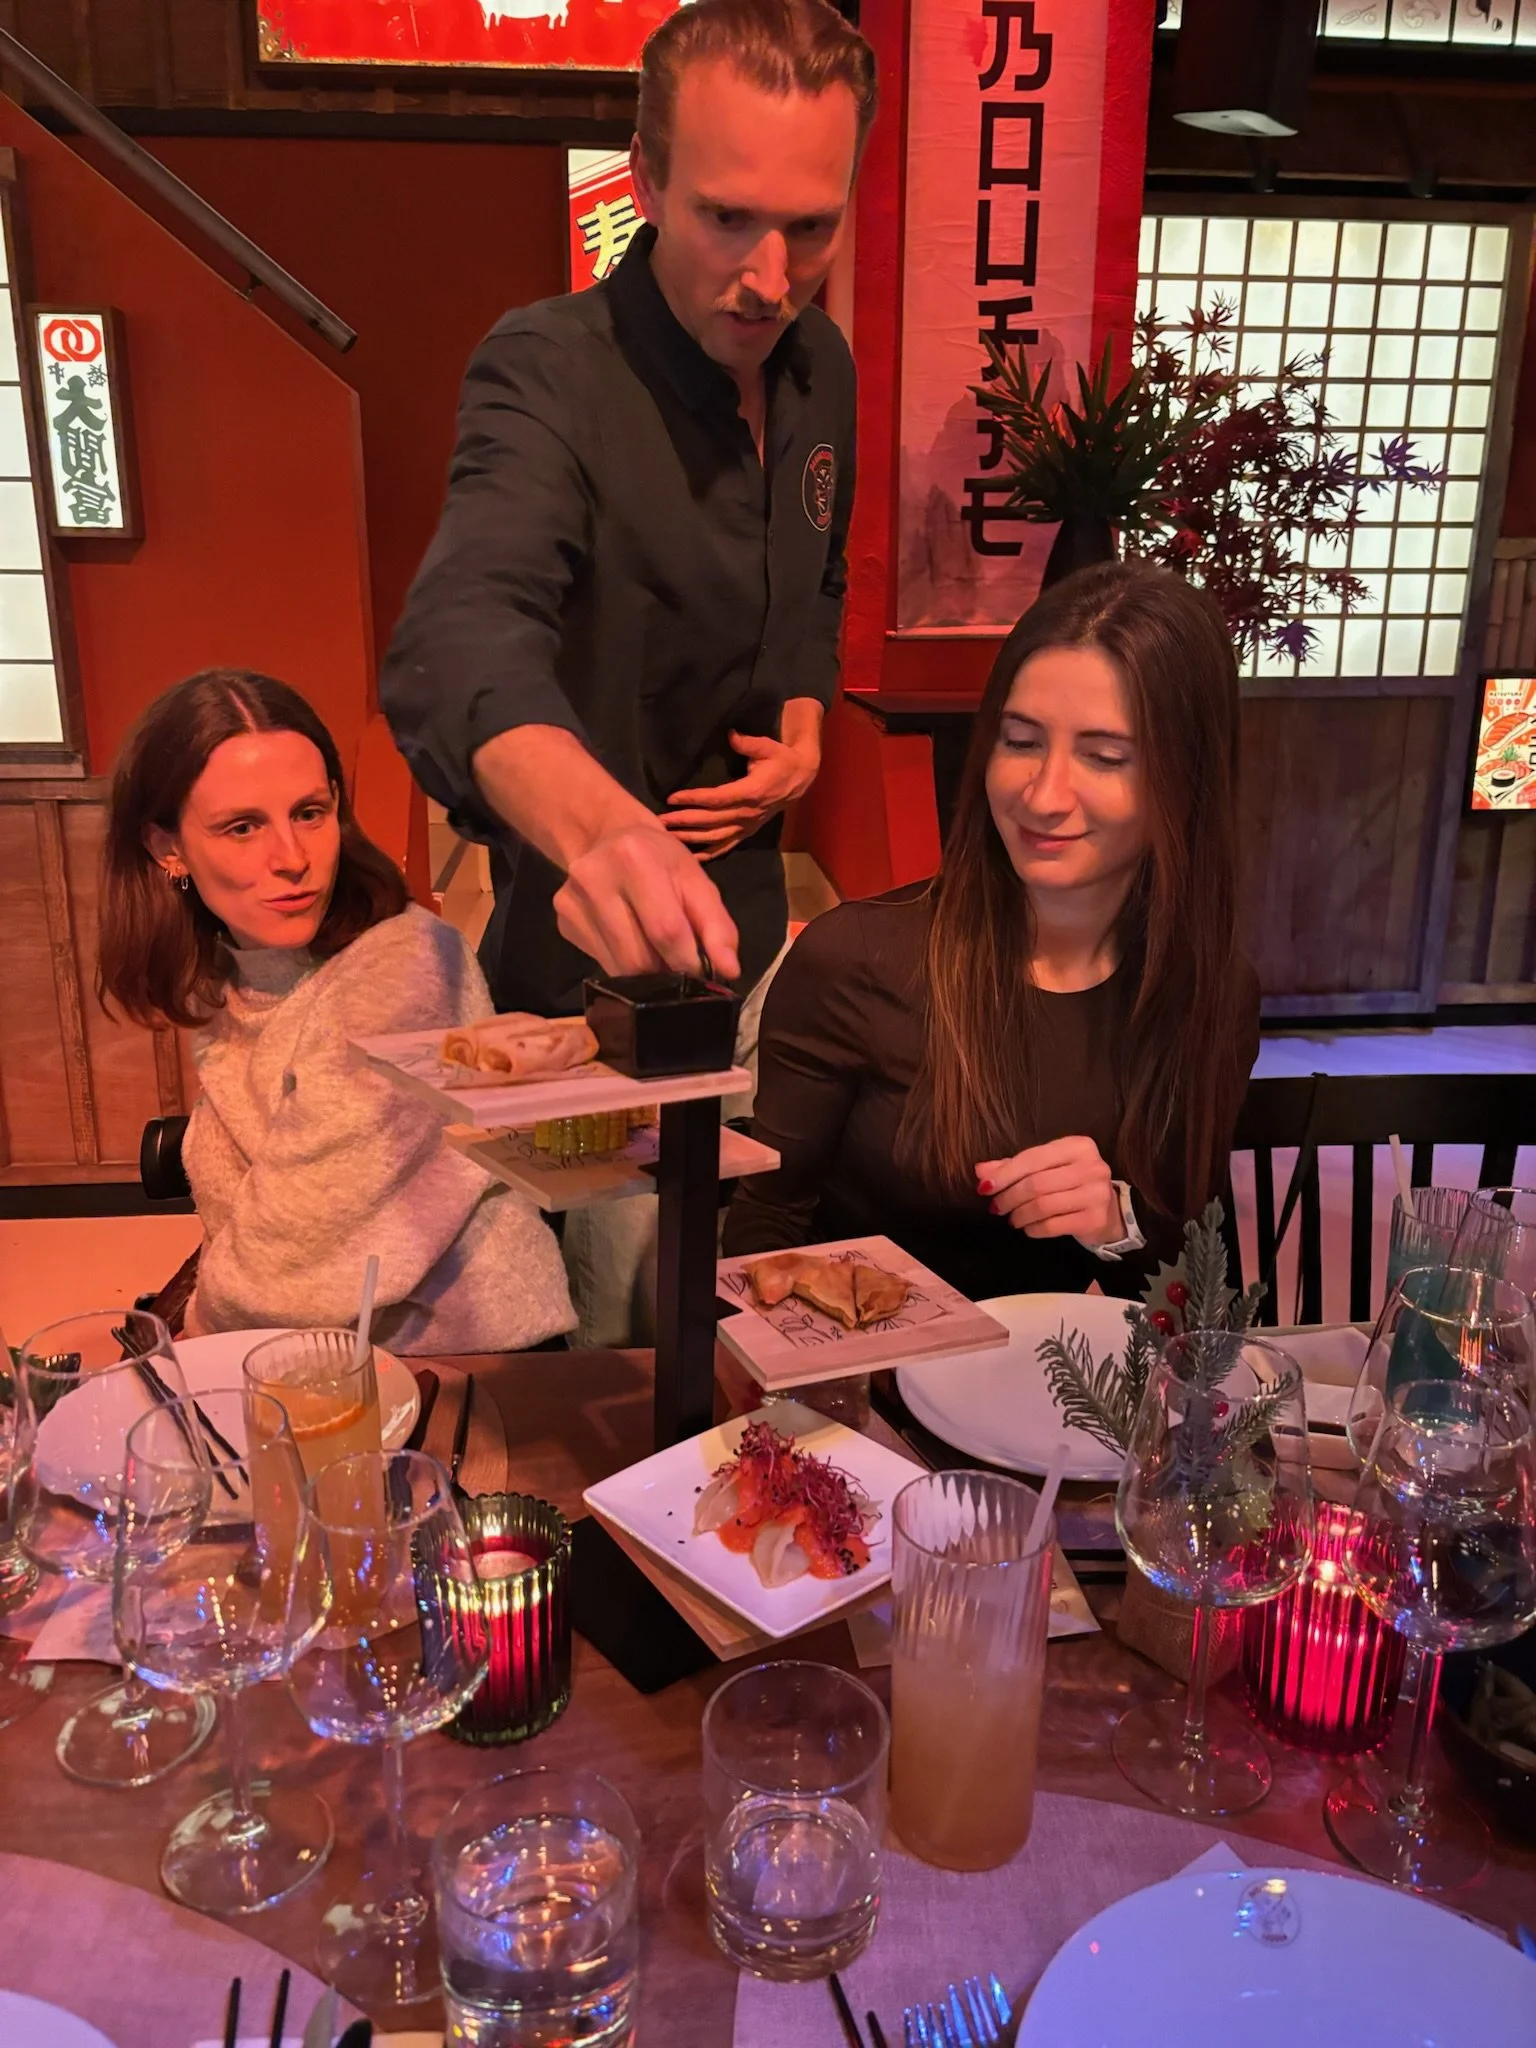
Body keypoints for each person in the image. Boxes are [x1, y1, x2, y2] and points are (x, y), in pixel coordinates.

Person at [380, 0, 876, 1339]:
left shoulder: (817, 365)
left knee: (748, 1319)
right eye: (726, 218)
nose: (770, 277)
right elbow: (455, 638)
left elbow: (814, 580)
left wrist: (806, 723)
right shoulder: (547, 372)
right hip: (590, 976)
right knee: (614, 1342)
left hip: (767, 955)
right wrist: (601, 827)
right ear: (645, 181)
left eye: (811, 227)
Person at [723, 561, 1262, 1300]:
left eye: (1105, 757)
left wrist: (1114, 1221)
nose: (1043, 795)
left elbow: (1197, 1285)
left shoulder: (1207, 991)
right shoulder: (857, 960)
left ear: (1186, 780)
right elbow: (765, 1224)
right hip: (862, 1385)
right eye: (1021, 741)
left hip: (1055, 1395)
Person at [98, 669, 575, 1355]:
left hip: (470, 1370)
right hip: (320, 1363)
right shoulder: (240, 975)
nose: (292, 859)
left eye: (309, 813)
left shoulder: (401, 966)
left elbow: (299, 1239)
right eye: (242, 827)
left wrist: (184, 1338)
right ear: (166, 848)